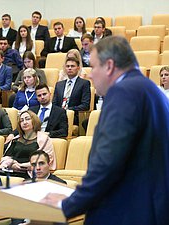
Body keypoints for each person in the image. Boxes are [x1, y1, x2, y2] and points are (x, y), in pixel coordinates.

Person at [41, 36, 169, 225]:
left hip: (125, 212)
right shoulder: (151, 90)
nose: (90, 75)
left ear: (109, 66)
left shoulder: (123, 92)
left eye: (93, 67)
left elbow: (107, 164)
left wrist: (65, 206)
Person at [0, 110, 56, 178]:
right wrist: (12, 164)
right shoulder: (15, 139)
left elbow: (47, 159)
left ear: (34, 121)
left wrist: (22, 165)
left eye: (27, 119)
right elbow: (6, 157)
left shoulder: (44, 139)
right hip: (13, 171)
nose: (24, 122)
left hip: (33, 172)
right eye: (21, 120)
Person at [53, 57, 91, 125]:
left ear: (78, 68)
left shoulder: (84, 83)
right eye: (67, 66)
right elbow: (54, 103)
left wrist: (68, 110)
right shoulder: (59, 85)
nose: (69, 68)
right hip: (58, 116)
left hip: (74, 116)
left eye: (72, 66)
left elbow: (85, 105)